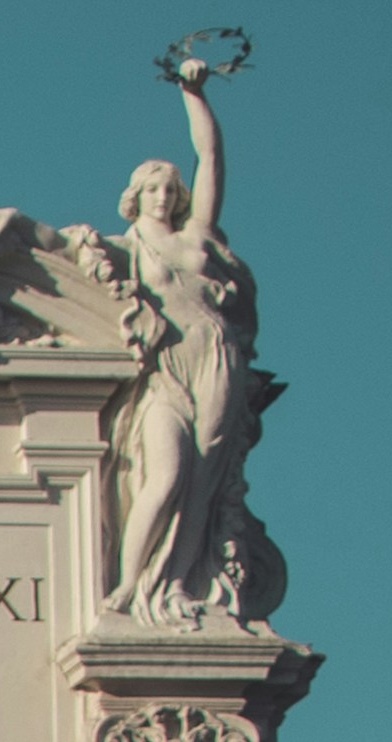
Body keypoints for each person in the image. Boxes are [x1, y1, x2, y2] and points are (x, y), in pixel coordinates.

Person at [101, 48, 266, 622]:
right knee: (166, 474)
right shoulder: (121, 250)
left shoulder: (198, 236)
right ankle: (129, 584)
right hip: (165, 370)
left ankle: (179, 582)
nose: (165, 196)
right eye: (155, 189)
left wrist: (193, 94)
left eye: (172, 189)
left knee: (203, 479)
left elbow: (210, 156)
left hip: (214, 355)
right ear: (136, 195)